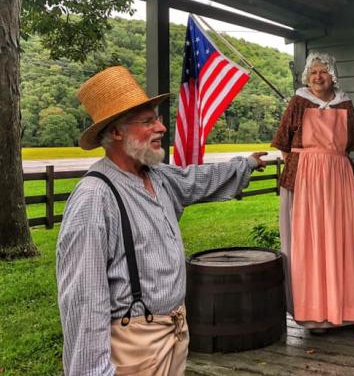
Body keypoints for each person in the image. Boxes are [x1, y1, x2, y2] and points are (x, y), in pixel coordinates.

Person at [56, 66, 267, 375]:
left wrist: (245, 165)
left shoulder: (157, 175)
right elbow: (84, 302)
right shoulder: (94, 198)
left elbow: (197, 179)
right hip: (134, 345)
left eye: (157, 118)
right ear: (116, 132)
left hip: (174, 333)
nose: (161, 128)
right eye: (148, 121)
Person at [271, 52, 354, 335]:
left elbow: (350, 143)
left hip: (338, 177)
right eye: (314, 71)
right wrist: (307, 167)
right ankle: (318, 314)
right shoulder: (298, 101)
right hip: (306, 179)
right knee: (311, 243)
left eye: (324, 71)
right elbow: (283, 143)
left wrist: (329, 164)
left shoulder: (345, 103)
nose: (318, 77)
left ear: (333, 75)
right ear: (307, 75)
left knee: (346, 241)